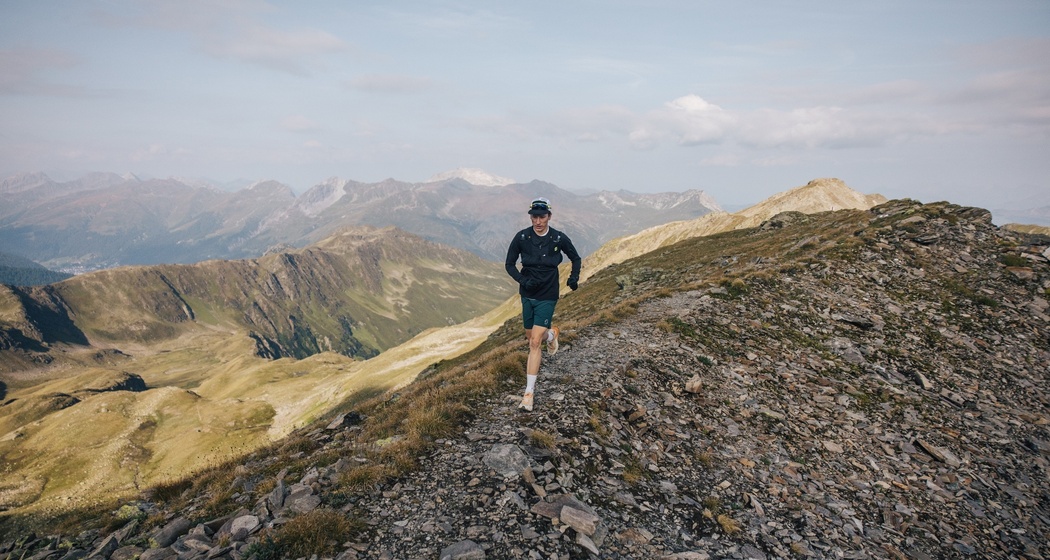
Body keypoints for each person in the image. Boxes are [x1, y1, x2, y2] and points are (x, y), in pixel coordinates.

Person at [505, 197, 582, 411]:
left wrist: (574, 277)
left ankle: (528, 393)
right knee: (531, 337)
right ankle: (552, 335)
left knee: (534, 343)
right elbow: (509, 264)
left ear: (549, 216)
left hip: (548, 295)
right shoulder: (521, 237)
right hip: (527, 294)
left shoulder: (558, 238)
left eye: (542, 216)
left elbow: (575, 258)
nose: (538, 221)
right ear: (531, 216)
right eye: (534, 217)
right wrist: (523, 280)